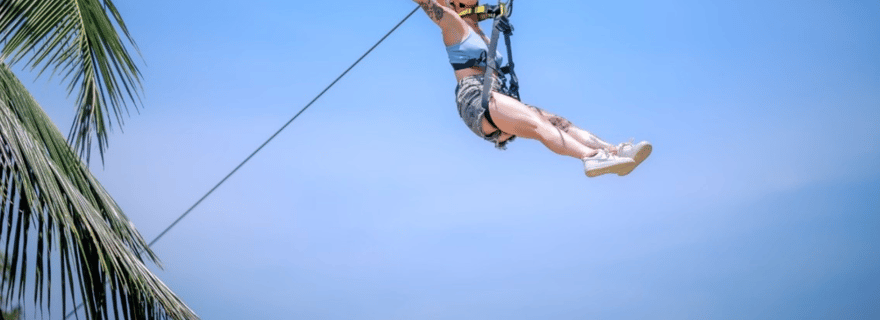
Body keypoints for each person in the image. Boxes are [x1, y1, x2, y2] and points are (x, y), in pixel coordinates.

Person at [412, 0, 652, 177]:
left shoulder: (478, 29)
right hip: (476, 99)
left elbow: (484, 11)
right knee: (539, 124)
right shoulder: (452, 23)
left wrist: (490, 11)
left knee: (559, 123)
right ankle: (591, 157)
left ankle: (614, 152)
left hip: (497, 96)